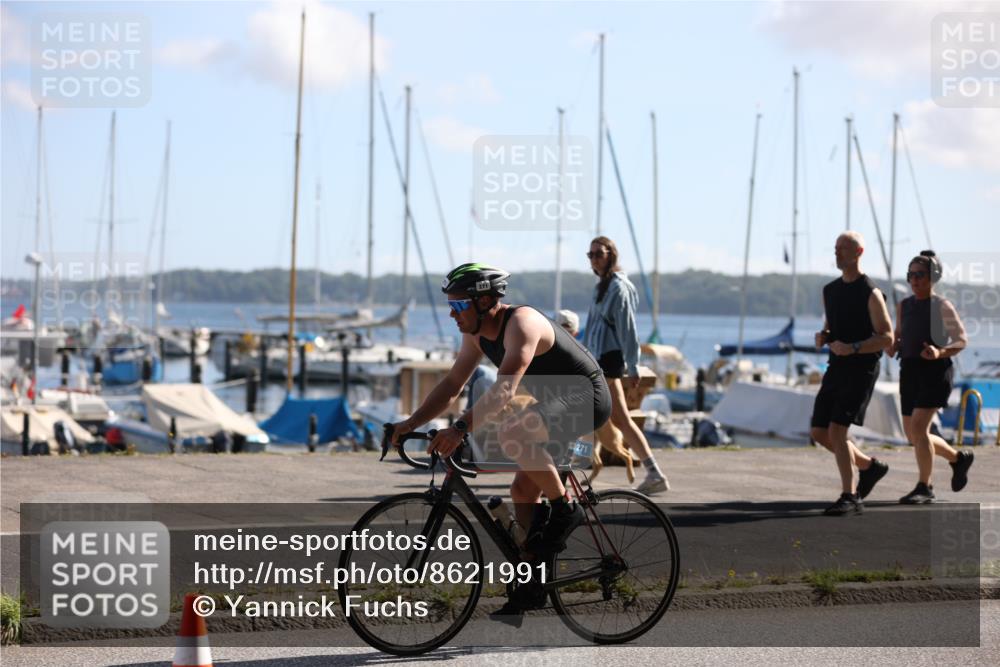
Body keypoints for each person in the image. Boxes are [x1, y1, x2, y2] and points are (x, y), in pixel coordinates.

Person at [389, 263, 612, 557]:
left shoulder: (522, 324)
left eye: (458, 305)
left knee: (513, 434)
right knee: (522, 492)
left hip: (587, 397)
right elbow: (454, 383)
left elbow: (504, 391)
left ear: (483, 301)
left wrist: (460, 429)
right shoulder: (475, 333)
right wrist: (410, 423)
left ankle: (565, 510)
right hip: (552, 404)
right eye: (450, 305)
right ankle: (532, 582)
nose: (451, 313)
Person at [811, 231, 894, 516]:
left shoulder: (870, 292)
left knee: (837, 430)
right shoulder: (830, 291)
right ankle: (870, 467)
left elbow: (886, 337)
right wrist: (824, 336)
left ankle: (850, 495)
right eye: (835, 248)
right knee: (819, 432)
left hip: (862, 368)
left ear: (858, 253)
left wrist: (854, 347)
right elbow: (833, 326)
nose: (837, 253)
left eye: (843, 249)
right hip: (836, 366)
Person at [583, 236, 669, 495]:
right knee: (620, 419)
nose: (595, 258)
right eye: (591, 254)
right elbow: (592, 329)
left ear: (612, 255)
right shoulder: (602, 287)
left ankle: (567, 465)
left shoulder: (620, 288)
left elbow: (628, 330)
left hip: (609, 361)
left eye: (599, 253)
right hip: (598, 359)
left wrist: (633, 367)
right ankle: (654, 472)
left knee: (582, 412)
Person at [890, 250, 972, 504]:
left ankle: (925, 487)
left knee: (919, 428)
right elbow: (899, 335)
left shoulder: (942, 306)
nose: (914, 280)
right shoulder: (904, 305)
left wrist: (939, 351)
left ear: (933, 276)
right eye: (910, 275)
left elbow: (961, 340)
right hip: (909, 370)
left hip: (936, 371)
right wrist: (892, 344)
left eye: (920, 275)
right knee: (913, 435)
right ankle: (958, 459)